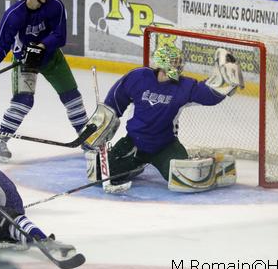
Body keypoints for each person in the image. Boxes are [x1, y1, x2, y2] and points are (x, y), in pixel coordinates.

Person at [90, 45, 243, 193]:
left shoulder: (184, 86)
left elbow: (209, 96)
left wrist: (223, 83)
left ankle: (217, 166)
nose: (178, 66)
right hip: (134, 143)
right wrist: (104, 124)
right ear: (162, 63)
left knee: (187, 180)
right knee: (98, 172)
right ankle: (134, 165)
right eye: (174, 62)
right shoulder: (139, 77)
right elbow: (116, 100)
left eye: (179, 62)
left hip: (165, 147)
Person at [0, 0, 89, 162]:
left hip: (51, 57)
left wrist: (41, 46)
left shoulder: (55, 5)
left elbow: (60, 36)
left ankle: (87, 138)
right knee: (23, 101)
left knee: (72, 97)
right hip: (25, 61)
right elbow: (2, 44)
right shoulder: (14, 15)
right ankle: (1, 140)